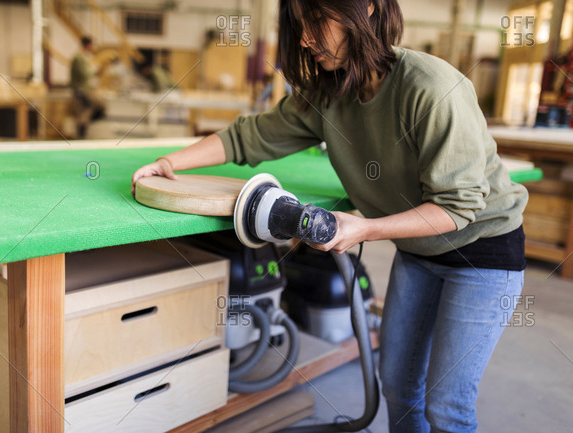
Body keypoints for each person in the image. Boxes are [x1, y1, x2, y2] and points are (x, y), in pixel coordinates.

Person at [131, 1, 528, 431]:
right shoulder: (329, 94)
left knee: (446, 406)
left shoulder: (431, 87)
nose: (304, 38)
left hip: (483, 252)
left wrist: (367, 229)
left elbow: (458, 206)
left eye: (317, 21)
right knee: (397, 386)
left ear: (367, 8)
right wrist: (169, 161)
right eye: (300, 26)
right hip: (419, 252)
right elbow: (253, 136)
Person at [70, 36, 105, 139]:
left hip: (85, 89)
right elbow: (84, 74)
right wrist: (95, 71)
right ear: (89, 45)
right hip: (81, 90)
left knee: (87, 112)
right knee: (87, 110)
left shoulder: (84, 57)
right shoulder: (78, 58)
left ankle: (83, 130)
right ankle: (81, 134)